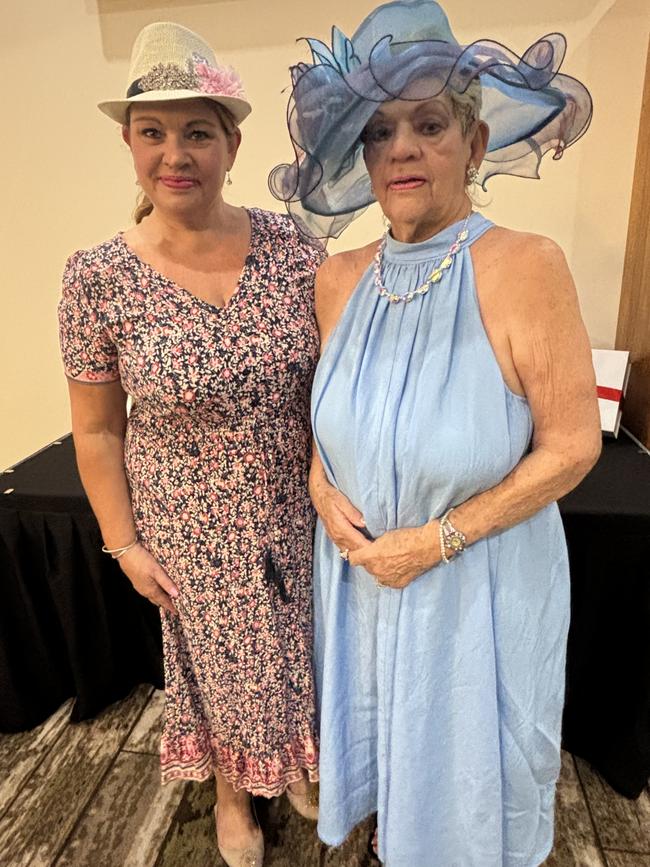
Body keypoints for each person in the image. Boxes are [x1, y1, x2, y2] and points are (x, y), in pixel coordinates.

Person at [271, 2, 601, 865]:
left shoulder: (528, 265)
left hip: (474, 589)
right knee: (385, 750)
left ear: (477, 144)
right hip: (361, 582)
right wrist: (317, 486)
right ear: (364, 157)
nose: (404, 147)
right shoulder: (336, 279)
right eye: (381, 132)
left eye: (429, 123)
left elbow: (573, 446)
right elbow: (328, 424)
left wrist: (435, 540)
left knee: (468, 788)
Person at [58, 22, 324, 867]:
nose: (176, 152)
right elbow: (97, 427)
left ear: (232, 142)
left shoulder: (293, 247)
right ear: (129, 143)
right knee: (216, 670)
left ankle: (299, 761)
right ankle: (233, 794)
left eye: (197, 131)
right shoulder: (95, 276)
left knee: (303, 650)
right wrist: (124, 542)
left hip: (296, 505)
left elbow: (333, 380)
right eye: (153, 131)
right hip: (189, 526)